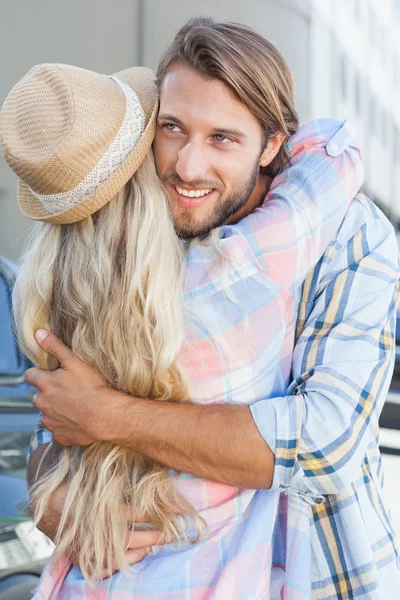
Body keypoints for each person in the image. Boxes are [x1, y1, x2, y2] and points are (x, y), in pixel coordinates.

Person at [3, 17, 399, 599]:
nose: (187, 167)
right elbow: (62, 414)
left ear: (270, 145)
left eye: (222, 138)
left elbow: (325, 444)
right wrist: (51, 496)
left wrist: (108, 415)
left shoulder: (348, 233)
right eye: (173, 128)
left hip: (315, 575)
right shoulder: (137, 221)